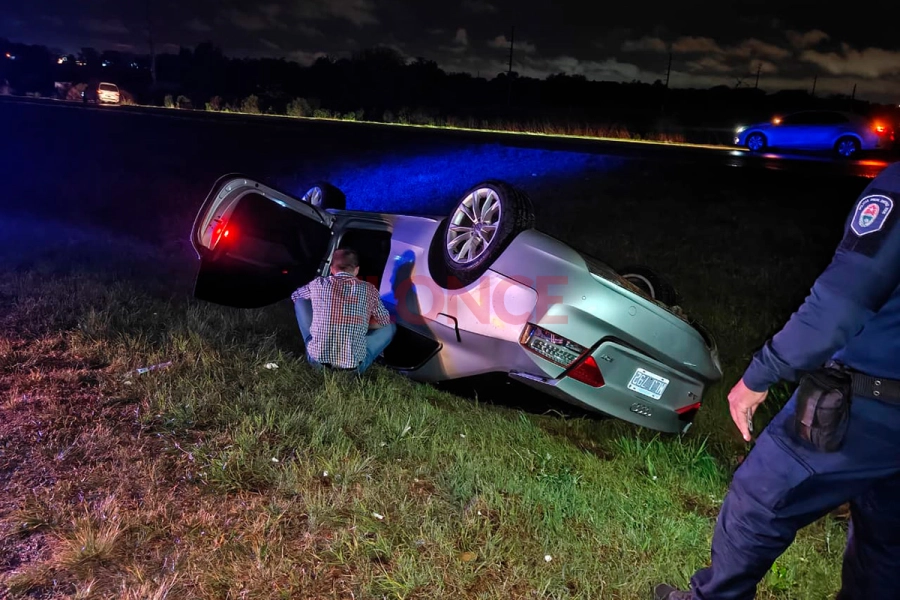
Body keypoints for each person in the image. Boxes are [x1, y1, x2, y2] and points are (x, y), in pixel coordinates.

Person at [655, 162, 900, 600]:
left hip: (869, 403)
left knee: (758, 500)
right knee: (887, 547)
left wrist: (761, 374)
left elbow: (838, 307)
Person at [291, 248, 396, 373]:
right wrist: (360, 324)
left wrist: (321, 310)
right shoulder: (369, 290)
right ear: (357, 270)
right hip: (353, 369)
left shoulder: (319, 283)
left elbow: (295, 296)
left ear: (331, 268)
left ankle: (317, 346)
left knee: (301, 301)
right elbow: (384, 321)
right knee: (391, 327)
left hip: (317, 363)